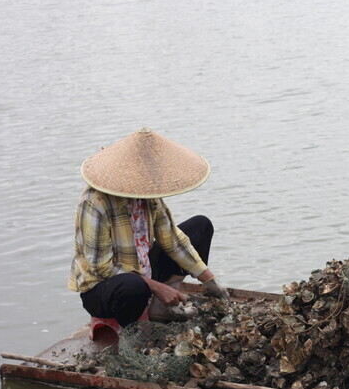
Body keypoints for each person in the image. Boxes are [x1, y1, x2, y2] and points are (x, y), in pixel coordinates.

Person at [67, 127, 228, 326]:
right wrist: (156, 287)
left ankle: (162, 308)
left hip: (143, 269)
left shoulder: (149, 196)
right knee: (133, 285)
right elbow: (100, 267)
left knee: (200, 226)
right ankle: (136, 324)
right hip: (104, 287)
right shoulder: (95, 202)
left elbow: (172, 239)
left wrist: (208, 277)